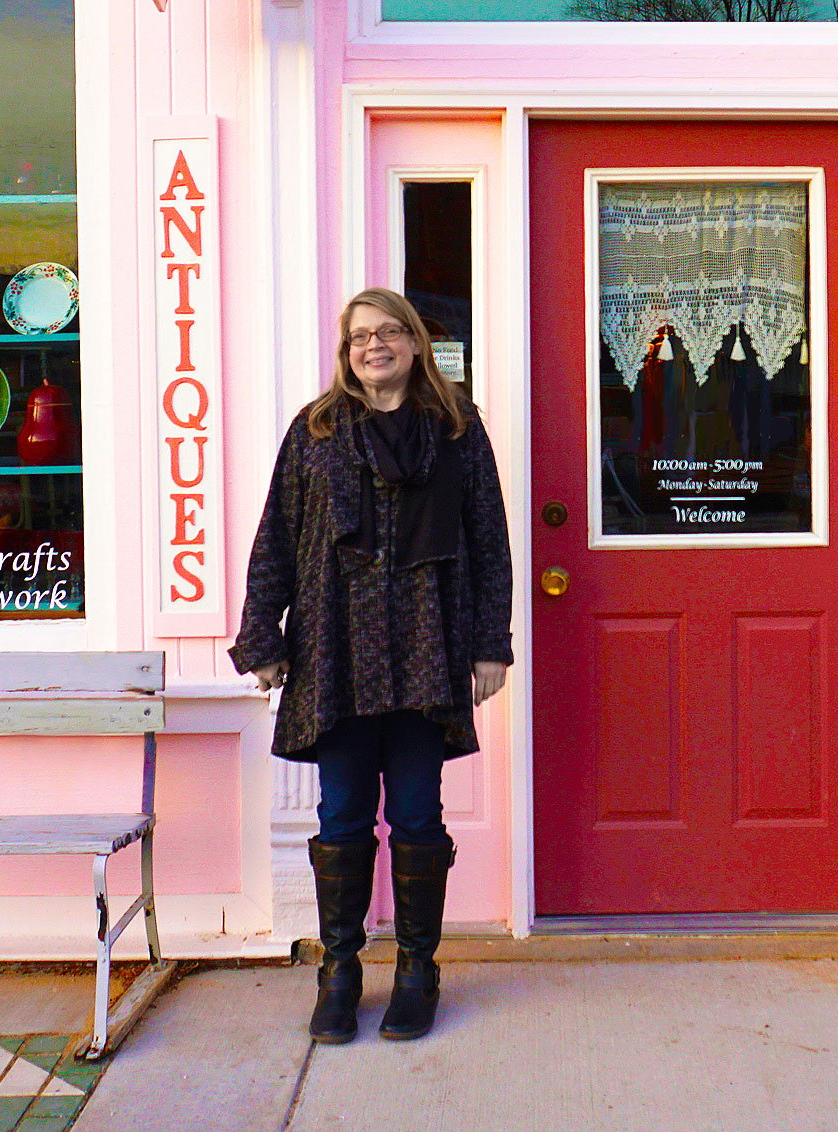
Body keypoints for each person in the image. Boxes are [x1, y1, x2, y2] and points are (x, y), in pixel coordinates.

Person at [230, 287, 512, 1044]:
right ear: (346, 351)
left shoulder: (456, 428)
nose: (374, 346)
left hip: (428, 647)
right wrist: (262, 635)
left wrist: (491, 644)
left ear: (416, 344)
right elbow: (277, 537)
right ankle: (341, 971)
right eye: (360, 337)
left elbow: (488, 539)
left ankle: (418, 971)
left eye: (389, 333)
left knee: (419, 814)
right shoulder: (316, 431)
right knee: (343, 813)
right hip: (335, 650)